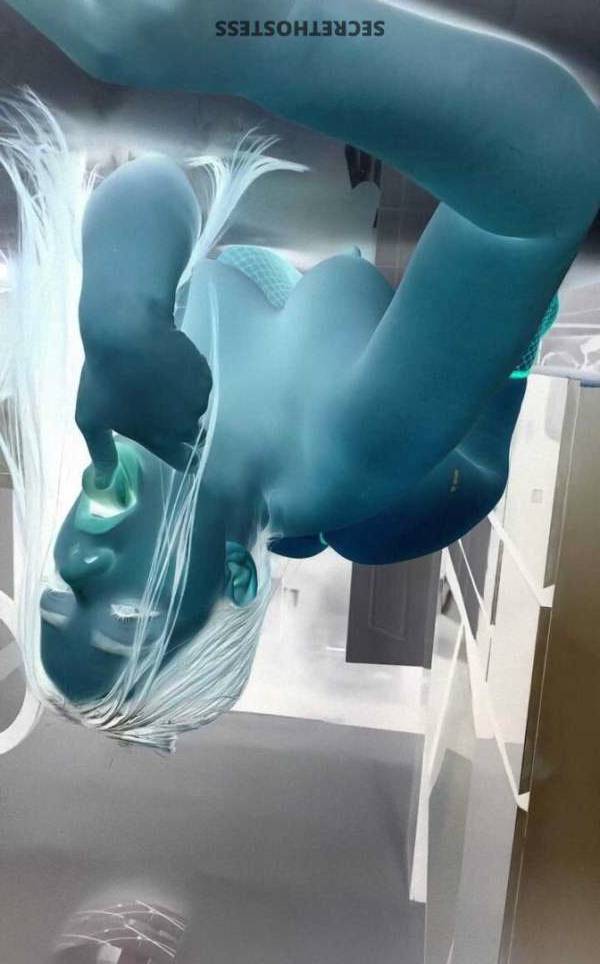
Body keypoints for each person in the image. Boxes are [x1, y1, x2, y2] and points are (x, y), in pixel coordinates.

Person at [2, 0, 599, 748]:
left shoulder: (131, 397)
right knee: (371, 533)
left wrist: (120, 315)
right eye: (123, 614)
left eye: (60, 593)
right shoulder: (344, 455)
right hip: (444, 476)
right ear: (235, 575)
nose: (81, 559)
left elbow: (152, 183)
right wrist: (254, 30)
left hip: (294, 336)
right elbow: (549, 180)